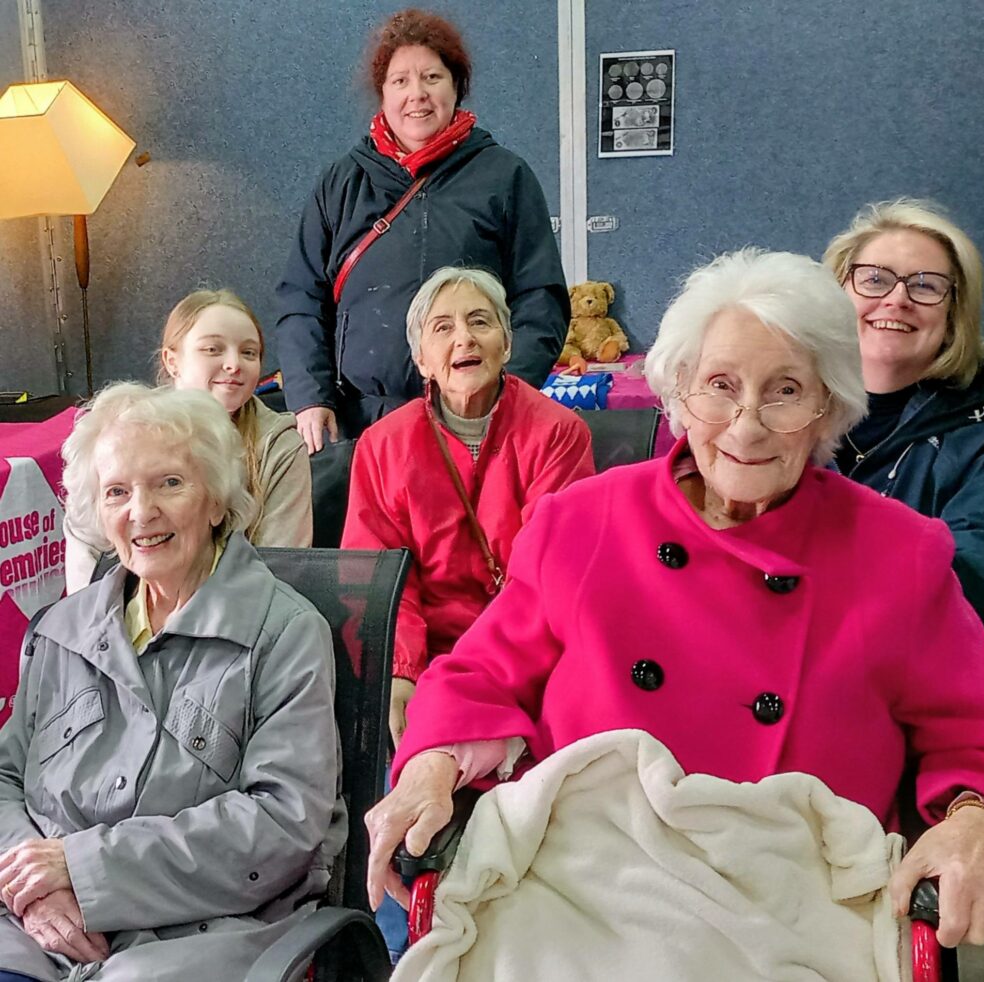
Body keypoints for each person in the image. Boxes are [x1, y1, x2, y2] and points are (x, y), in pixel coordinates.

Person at [365, 249, 984, 950]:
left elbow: (978, 739)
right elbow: (481, 675)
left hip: (793, 916)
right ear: (679, 390)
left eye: (785, 391)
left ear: (830, 404)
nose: (746, 425)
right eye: (720, 385)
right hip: (578, 898)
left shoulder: (899, 552)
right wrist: (430, 771)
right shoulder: (582, 521)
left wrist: (977, 826)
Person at [0, 383, 341, 981]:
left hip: (203, 935)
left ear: (216, 500)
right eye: (117, 492)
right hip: (40, 929)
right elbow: (4, 777)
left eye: (170, 483)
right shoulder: (58, 629)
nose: (141, 511)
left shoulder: (284, 633)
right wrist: (33, 888)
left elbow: (283, 823)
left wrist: (82, 869)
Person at [275, 8, 569, 452]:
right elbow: (301, 297)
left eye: (432, 77)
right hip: (362, 427)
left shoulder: (505, 176)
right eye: (400, 81)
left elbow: (540, 298)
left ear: (456, 87)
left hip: (475, 426)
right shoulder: (340, 184)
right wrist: (310, 398)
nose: (417, 95)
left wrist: (505, 397)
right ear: (383, 93)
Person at [341, 266, 594, 750]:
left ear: (506, 343)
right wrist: (400, 672)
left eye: (480, 322)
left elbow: (552, 574)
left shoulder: (559, 433)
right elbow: (374, 576)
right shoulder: (381, 446)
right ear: (421, 359)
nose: (464, 339)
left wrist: (489, 679)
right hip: (426, 656)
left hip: (529, 651)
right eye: (443, 327)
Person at [824, 199, 984, 644]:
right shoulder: (780, 425)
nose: (897, 299)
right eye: (874, 279)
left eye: (925, 286)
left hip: (917, 698)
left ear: (953, 316)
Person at [63, 289, 312, 592]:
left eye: (249, 352)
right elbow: (86, 545)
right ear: (172, 360)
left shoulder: (280, 444)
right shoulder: (121, 432)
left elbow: (283, 565)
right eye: (213, 349)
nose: (234, 364)